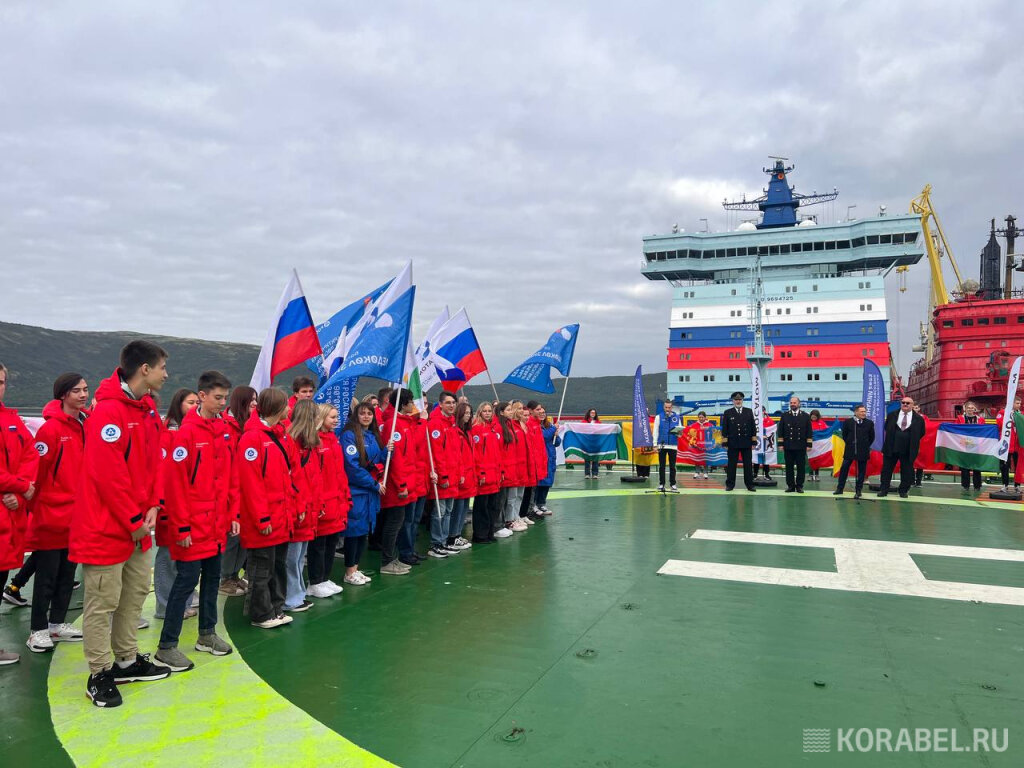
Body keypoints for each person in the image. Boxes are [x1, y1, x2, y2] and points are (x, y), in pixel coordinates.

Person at [71, 341, 172, 707]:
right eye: (162, 366)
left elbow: (155, 463)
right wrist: (133, 519)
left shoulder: (147, 408)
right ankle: (99, 672)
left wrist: (155, 507)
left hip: (139, 527)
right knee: (102, 603)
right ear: (144, 369)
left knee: (132, 598)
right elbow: (105, 473)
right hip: (106, 528)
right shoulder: (109, 412)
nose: (166, 374)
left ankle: (126, 660)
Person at [154, 371, 237, 672]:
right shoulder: (185, 435)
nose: (222, 403)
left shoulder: (223, 431)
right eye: (217, 398)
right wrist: (182, 527)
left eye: (225, 398)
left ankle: (207, 634)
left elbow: (230, 478)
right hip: (193, 525)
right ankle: (167, 646)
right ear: (201, 396)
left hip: (216, 525)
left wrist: (232, 515)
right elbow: (175, 486)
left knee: (213, 581)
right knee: (185, 583)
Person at [24, 373, 89, 653]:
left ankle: (57, 624)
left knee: (67, 573)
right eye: (77, 391)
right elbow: (36, 472)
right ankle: (37, 630)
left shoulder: (85, 425)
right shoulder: (50, 430)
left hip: (77, 516)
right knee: (47, 577)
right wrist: (37, 508)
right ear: (63, 395)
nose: (83, 395)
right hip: (52, 515)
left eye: (85, 390)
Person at [236, 387, 295, 629]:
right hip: (265, 518)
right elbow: (251, 484)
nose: (290, 408)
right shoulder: (252, 438)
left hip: (280, 515)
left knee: (276, 565)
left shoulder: (279, 436)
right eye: (286, 405)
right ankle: (261, 614)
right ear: (278, 408)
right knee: (261, 567)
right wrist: (262, 518)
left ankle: (276, 607)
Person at [0, 361, 40, 666]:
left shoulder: (12, 422)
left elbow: (30, 454)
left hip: (10, 517)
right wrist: (17, 487)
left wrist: (21, 488)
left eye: (1, 381)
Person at [154, 388, 199, 624]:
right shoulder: (169, 433)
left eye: (196, 402)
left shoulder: (190, 431)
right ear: (178, 404)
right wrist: (161, 503)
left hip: (188, 505)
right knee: (167, 557)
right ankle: (164, 606)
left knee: (183, 558)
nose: (194, 406)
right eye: (190, 402)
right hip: (169, 506)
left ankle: (181, 600)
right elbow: (163, 472)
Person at [306, 404, 351, 597]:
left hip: (337, 500)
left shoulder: (333, 439)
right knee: (319, 545)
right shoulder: (315, 442)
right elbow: (315, 475)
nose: (336, 420)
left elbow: (339, 472)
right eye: (332, 417)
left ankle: (325, 578)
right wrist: (320, 501)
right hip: (324, 501)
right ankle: (315, 581)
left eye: (337, 416)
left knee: (332, 542)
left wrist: (345, 495)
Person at [283, 400, 323, 612]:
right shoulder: (294, 444)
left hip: (308, 508)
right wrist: (301, 507)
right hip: (299, 509)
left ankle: (296, 594)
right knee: (293, 557)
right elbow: (294, 481)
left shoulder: (309, 445)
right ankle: (291, 597)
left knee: (298, 557)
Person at [340, 402, 386, 585]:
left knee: (363, 531)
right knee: (354, 531)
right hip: (357, 492)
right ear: (356, 416)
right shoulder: (349, 436)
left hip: (369, 493)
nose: (366, 416)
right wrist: (373, 484)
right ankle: (349, 571)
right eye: (362, 413)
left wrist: (388, 450)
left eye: (369, 413)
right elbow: (352, 467)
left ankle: (355, 568)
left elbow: (380, 460)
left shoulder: (373, 436)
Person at [219, 385, 256, 596]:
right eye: (250, 400)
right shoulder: (228, 426)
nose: (254, 404)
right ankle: (226, 578)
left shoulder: (247, 426)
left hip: (246, 489)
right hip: (231, 491)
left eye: (256, 400)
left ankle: (234, 575)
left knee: (243, 536)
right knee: (232, 536)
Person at [377, 390, 415, 575]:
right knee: (393, 523)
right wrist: (401, 485)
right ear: (403, 403)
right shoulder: (393, 425)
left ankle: (393, 558)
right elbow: (395, 458)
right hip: (395, 485)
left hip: (404, 481)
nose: (413, 404)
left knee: (398, 522)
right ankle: (387, 561)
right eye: (411, 401)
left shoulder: (403, 423)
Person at [427, 392, 461, 557]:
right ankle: (436, 543)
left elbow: (456, 452)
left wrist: (458, 473)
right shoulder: (435, 424)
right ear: (440, 404)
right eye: (448, 403)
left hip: (453, 475)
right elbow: (437, 453)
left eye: (453, 402)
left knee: (448, 511)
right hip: (443, 477)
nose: (451, 405)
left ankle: (444, 541)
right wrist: (444, 476)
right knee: (439, 512)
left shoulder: (452, 424)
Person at [877, 396, 926, 498]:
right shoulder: (891, 415)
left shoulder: (919, 419)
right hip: (891, 447)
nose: (905, 404)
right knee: (886, 470)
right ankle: (883, 489)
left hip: (908, 449)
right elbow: (886, 428)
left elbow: (921, 433)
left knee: (907, 471)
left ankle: (903, 491)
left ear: (912, 405)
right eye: (903, 402)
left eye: (908, 403)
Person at [470, 402, 503, 543]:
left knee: (492, 506)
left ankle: (489, 532)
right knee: (481, 507)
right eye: (485, 411)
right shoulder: (477, 429)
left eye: (490, 411)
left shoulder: (493, 430)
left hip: (494, 474)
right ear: (480, 412)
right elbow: (476, 454)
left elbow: (498, 453)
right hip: (484, 475)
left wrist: (501, 471)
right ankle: (479, 535)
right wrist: (481, 473)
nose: (488, 413)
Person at [448, 401, 477, 547]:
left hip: (469, 474)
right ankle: (453, 535)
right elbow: (456, 455)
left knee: (464, 507)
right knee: (457, 508)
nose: (468, 416)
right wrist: (460, 473)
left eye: (470, 413)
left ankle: (457, 534)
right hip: (461, 475)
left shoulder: (468, 432)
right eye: (465, 413)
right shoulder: (456, 432)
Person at [497, 402, 526, 536]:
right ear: (502, 412)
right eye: (508, 410)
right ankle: (505, 522)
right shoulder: (500, 428)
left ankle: (512, 518)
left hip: (514, 466)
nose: (510, 412)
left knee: (513, 496)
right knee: (505, 499)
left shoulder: (511, 426)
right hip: (506, 468)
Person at [833, 405, 875, 499]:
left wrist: (865, 445)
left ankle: (859, 490)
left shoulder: (869, 423)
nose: (864, 413)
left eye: (864, 411)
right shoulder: (848, 422)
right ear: (856, 412)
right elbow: (845, 435)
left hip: (863, 450)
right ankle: (840, 488)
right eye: (861, 411)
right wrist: (850, 442)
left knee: (861, 470)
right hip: (850, 449)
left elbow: (872, 437)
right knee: (844, 468)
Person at [721, 392, 757, 492]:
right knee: (731, 465)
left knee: (748, 465)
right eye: (736, 400)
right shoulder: (728, 412)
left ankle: (750, 485)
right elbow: (725, 429)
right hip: (733, 443)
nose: (738, 401)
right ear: (733, 401)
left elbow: (753, 427)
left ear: (742, 401)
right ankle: (730, 485)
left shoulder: (749, 411)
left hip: (746, 442)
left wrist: (754, 442)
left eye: (740, 399)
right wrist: (725, 442)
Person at [778, 396, 813, 493]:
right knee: (789, 467)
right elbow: (780, 431)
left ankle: (799, 486)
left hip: (800, 445)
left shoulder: (805, 416)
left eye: (794, 403)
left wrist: (809, 445)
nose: (792, 404)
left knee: (801, 467)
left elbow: (809, 431)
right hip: (788, 445)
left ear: (799, 404)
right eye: (791, 403)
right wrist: (780, 444)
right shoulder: (785, 415)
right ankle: (790, 486)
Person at [533, 403, 560, 516]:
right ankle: (534, 504)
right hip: (541, 456)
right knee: (539, 482)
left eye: (544, 412)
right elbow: (543, 436)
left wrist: (556, 435)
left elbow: (557, 443)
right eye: (540, 412)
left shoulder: (548, 426)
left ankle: (542, 503)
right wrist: (554, 429)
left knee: (548, 481)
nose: (542, 414)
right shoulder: (536, 427)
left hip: (550, 456)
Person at [653, 400, 681, 491]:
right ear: (664, 407)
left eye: (669, 407)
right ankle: (661, 484)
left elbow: (680, 432)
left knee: (672, 466)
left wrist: (679, 433)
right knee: (662, 466)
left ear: (671, 407)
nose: (668, 409)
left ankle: (673, 484)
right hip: (662, 445)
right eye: (666, 407)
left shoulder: (677, 417)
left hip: (673, 445)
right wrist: (654, 444)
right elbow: (655, 431)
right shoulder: (658, 417)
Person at [996, 396, 1021, 493]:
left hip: (1017, 446)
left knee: (1018, 466)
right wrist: (1009, 417)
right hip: (1006, 445)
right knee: (1004, 466)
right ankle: (1004, 485)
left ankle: (1017, 486)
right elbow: (999, 424)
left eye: (1020, 403)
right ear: (1012, 403)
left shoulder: (1021, 414)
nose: (1019, 405)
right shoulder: (1002, 413)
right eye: (1017, 403)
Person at [956, 402, 983, 491]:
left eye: (972, 408)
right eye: (968, 408)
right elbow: (956, 429)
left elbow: (983, 430)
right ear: (965, 409)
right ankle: (965, 485)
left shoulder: (980, 419)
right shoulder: (960, 418)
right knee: (964, 466)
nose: (970, 409)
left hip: (976, 445)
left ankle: (977, 485)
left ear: (974, 409)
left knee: (976, 467)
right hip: (964, 444)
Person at [912, 404, 931, 487]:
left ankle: (918, 481)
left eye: (916, 408)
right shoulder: (908, 416)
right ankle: (911, 481)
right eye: (913, 408)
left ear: (919, 408)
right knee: (910, 462)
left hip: (921, 442)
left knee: (920, 463)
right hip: (911, 441)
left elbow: (928, 427)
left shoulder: (924, 417)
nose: (915, 409)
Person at [690, 412, 711, 480]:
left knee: (705, 459)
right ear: (698, 418)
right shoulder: (694, 425)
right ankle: (697, 472)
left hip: (706, 445)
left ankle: (705, 473)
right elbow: (689, 432)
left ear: (705, 417)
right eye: (700, 417)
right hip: (697, 445)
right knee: (697, 458)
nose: (701, 419)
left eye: (702, 417)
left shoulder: (710, 425)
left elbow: (714, 432)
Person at [807, 410, 827, 481]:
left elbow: (826, 431)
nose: (813, 417)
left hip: (818, 445)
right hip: (809, 445)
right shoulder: (808, 423)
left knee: (817, 460)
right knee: (810, 460)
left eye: (815, 416)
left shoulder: (822, 423)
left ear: (817, 416)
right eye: (812, 415)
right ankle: (810, 474)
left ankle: (817, 474)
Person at [582, 409, 601, 478]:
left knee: (595, 459)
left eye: (594, 413)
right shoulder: (584, 422)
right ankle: (587, 474)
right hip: (587, 443)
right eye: (591, 412)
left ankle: (595, 474)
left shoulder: (598, 422)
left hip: (595, 443)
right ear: (589, 413)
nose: (593, 414)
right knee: (587, 458)